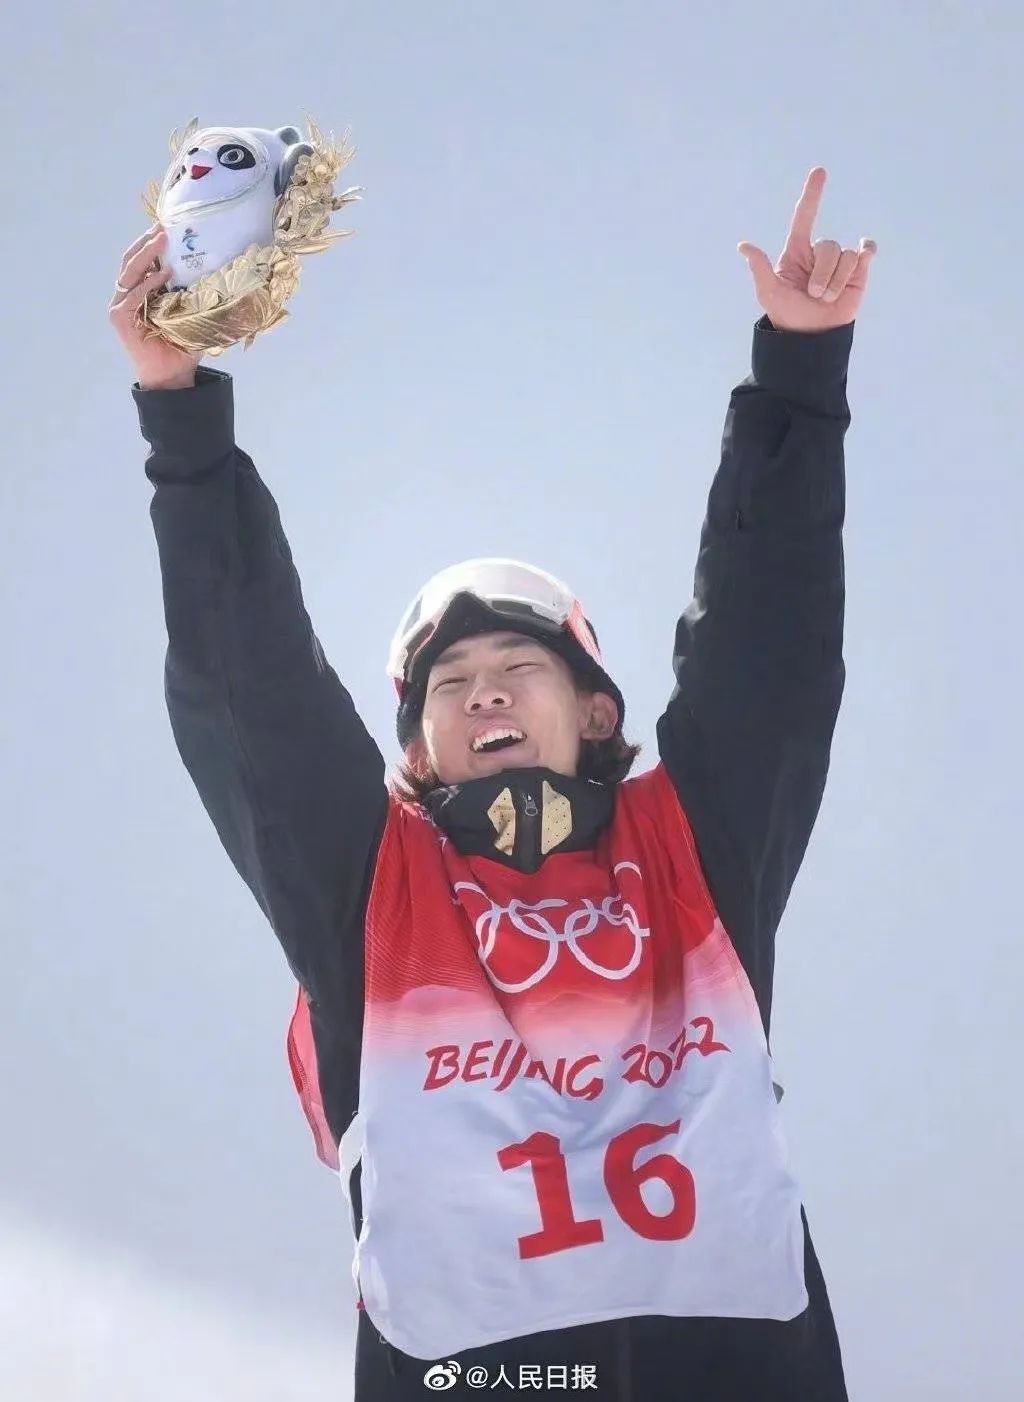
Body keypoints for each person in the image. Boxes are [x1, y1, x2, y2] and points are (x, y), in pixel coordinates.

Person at [111, 166, 877, 1400]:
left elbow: (768, 651)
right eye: (450, 684)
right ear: (416, 753)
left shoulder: (689, 855)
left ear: (596, 712)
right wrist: (178, 411)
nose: (483, 693)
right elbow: (252, 693)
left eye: (519, 666)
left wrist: (797, 372)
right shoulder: (375, 892)